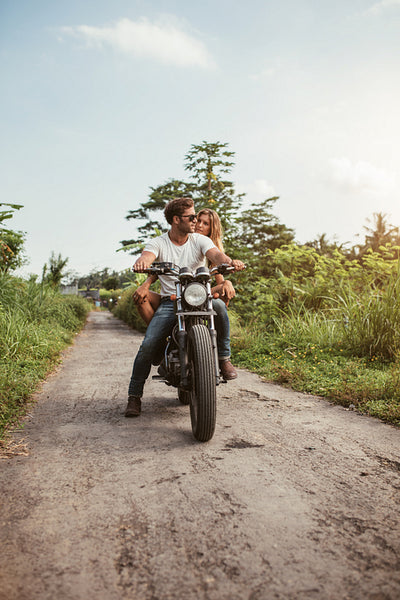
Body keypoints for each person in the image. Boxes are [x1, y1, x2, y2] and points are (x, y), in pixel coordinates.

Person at [125, 197, 245, 417]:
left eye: (196, 217)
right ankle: (134, 396)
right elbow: (147, 255)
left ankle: (224, 358)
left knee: (219, 307)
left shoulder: (199, 240)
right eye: (191, 217)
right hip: (170, 301)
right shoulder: (159, 242)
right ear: (176, 219)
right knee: (148, 344)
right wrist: (143, 261)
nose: (195, 221)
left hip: (200, 297)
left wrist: (228, 261)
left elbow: (216, 255)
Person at [133, 207, 236, 323]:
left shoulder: (208, 248)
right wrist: (145, 284)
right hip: (173, 295)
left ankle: (218, 335)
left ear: (212, 229)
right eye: (198, 220)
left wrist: (228, 279)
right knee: (141, 296)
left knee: (225, 290)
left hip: (198, 294)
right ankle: (159, 332)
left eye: (206, 224)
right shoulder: (177, 241)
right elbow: (158, 271)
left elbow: (219, 267)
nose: (199, 225)